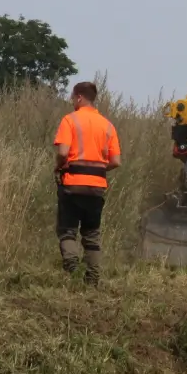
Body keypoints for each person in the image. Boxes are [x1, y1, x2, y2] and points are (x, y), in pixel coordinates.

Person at [53, 81, 121, 283]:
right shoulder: (108, 126)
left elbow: (63, 152)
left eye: (73, 97)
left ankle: (72, 268)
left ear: (79, 97)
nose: (72, 101)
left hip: (72, 184)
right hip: (97, 187)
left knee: (67, 230)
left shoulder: (70, 120)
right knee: (91, 234)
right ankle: (92, 279)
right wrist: (98, 168)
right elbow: (116, 161)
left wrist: (59, 166)